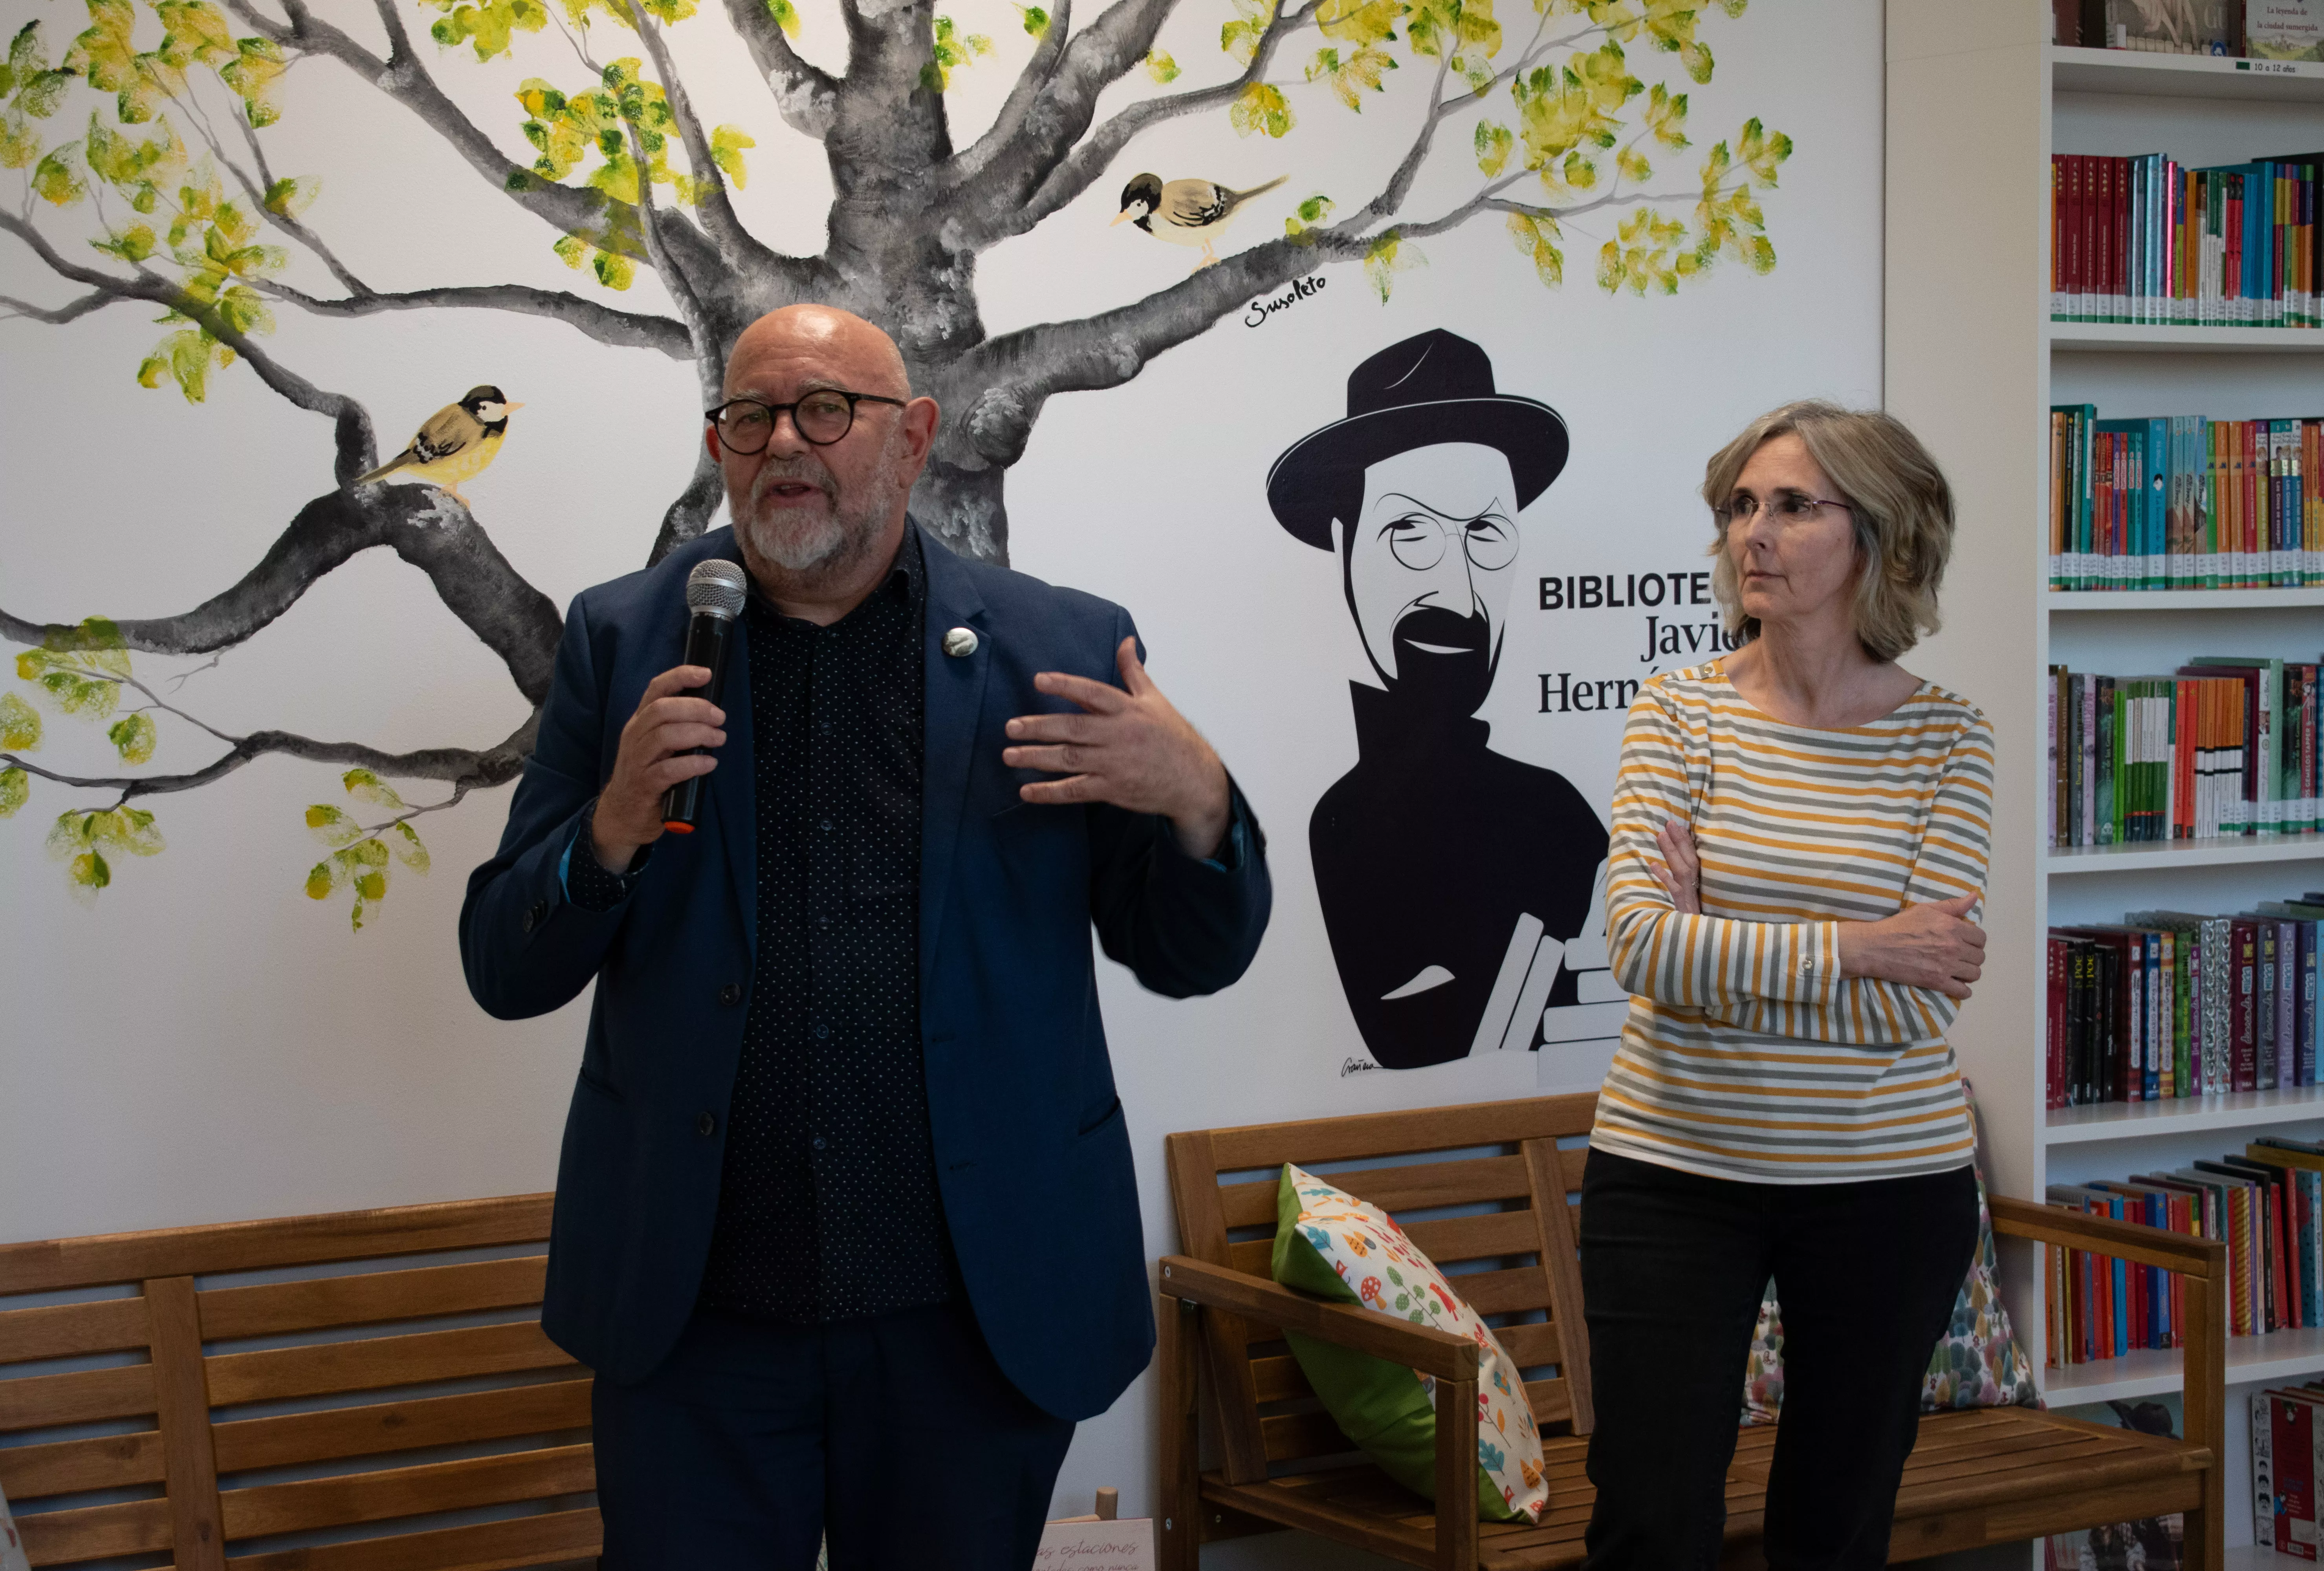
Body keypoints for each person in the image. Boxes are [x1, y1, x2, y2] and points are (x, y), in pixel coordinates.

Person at [457, 305, 1272, 1570]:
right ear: (720, 445)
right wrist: (608, 832)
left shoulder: (1056, 650)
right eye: (749, 416)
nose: (784, 441)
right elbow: (503, 968)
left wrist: (1199, 803)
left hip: (971, 1318)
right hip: (698, 1325)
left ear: (916, 439)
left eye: (825, 410)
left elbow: (1188, 956)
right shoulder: (623, 644)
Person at [1580, 400, 1992, 1569]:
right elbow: (1644, 947)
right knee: (1650, 1523)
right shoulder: (1679, 709)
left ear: (1882, 539)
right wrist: (1862, 943)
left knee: (1836, 1527)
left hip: (1887, 1186)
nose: (1753, 533)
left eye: (1793, 506)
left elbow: (1923, 999)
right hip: (1672, 1173)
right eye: (1740, 507)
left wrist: (1729, 941)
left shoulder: (1952, 740)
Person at [1265, 330, 1609, 1070]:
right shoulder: (1340, 821)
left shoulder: (1561, 816)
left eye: (1485, 533)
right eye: (1410, 531)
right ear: (1342, 544)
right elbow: (1408, 1040)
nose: (1457, 590)